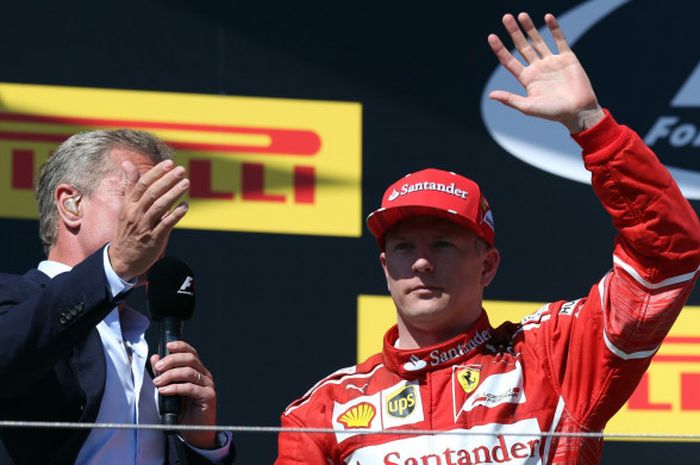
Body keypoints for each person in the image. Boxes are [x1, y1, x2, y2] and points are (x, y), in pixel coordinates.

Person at [274, 12, 700, 465]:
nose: (420, 263)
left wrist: (590, 124)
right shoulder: (325, 411)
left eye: (443, 244)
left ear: (488, 265)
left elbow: (667, 256)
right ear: (385, 267)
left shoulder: (554, 355)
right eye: (403, 247)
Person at [0, 130, 234, 465]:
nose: (156, 220)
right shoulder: (13, 298)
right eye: (139, 199)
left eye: (163, 207)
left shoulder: (149, 349)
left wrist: (202, 444)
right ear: (71, 204)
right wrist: (114, 266)